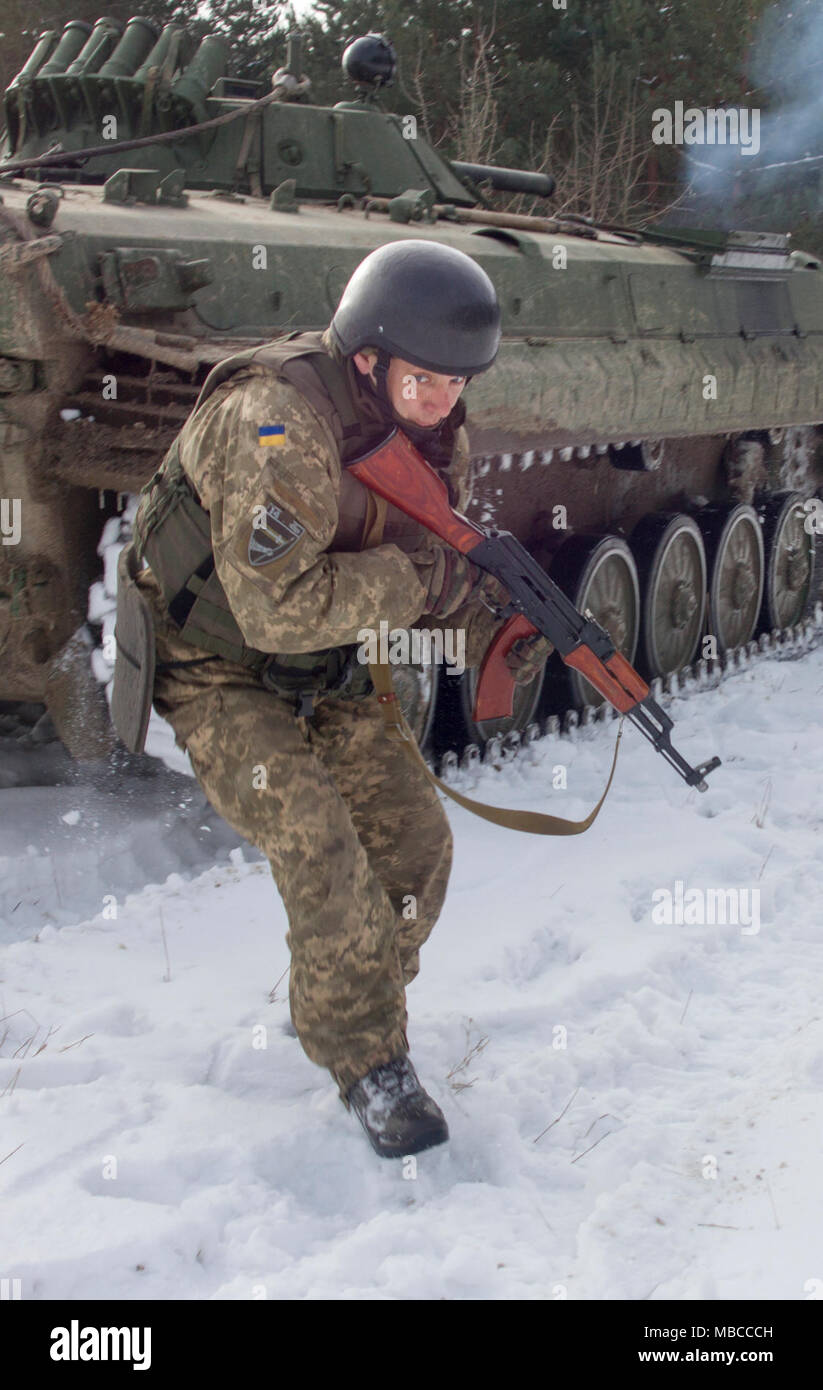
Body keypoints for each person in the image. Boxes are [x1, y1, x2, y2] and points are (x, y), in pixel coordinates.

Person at [120, 240, 551, 1157]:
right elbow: (276, 612)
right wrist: (417, 581)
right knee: (323, 853)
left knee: (414, 850)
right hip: (220, 667)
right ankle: (369, 1063)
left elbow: (439, 563)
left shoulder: (437, 428)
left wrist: (499, 621)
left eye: (460, 383)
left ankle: (341, 988)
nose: (446, 404)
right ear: (367, 358)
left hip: (335, 667)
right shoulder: (273, 427)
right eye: (428, 381)